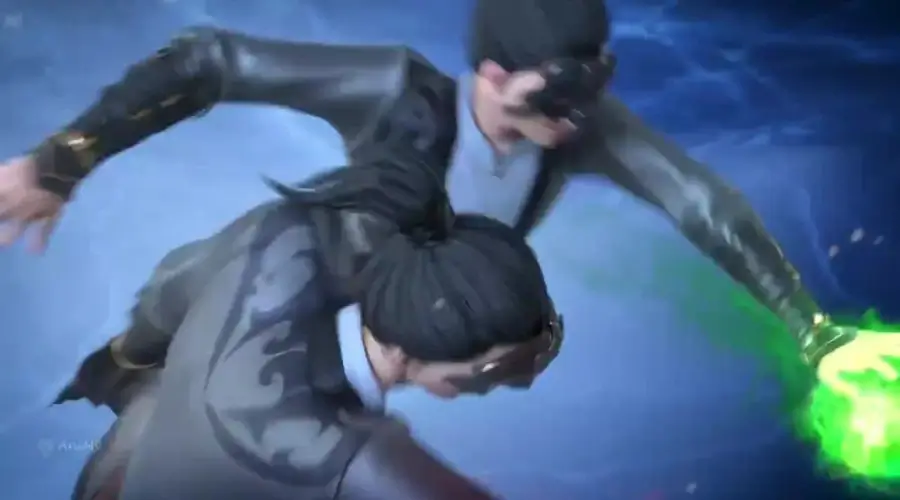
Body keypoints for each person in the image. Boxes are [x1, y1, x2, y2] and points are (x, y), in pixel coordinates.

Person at [0, 0, 892, 438]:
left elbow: (700, 203)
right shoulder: (394, 91)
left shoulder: (580, 129)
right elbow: (210, 60)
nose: (574, 119)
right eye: (556, 95)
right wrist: (63, 160)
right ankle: (115, 374)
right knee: (191, 286)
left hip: (425, 322)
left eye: (591, 92)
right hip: (340, 259)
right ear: (493, 75)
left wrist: (811, 331)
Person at [60, 153, 563, 499]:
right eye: (490, 373)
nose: (512, 384)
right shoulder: (331, 450)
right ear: (404, 353)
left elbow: (170, 287)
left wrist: (122, 357)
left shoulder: (281, 238)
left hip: (129, 449)